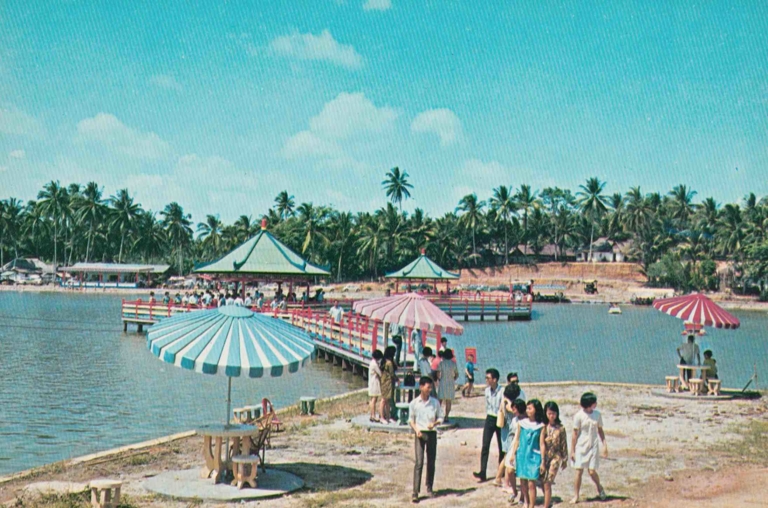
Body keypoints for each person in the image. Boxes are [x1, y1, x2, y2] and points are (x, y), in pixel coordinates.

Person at [409, 376, 444, 503]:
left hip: (431, 433)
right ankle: (415, 492)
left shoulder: (435, 402)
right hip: (420, 434)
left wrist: (434, 423)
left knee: (431, 461)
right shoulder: (414, 403)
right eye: (428, 387)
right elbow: (411, 420)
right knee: (419, 462)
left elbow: (441, 417)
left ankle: (429, 487)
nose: (430, 390)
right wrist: (416, 430)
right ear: (421, 387)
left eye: (431, 387)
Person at [571, 392, 607, 504]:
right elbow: (574, 434)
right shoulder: (579, 416)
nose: (596, 404)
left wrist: (604, 444)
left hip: (593, 445)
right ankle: (576, 495)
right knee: (579, 471)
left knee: (592, 471)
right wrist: (572, 451)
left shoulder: (597, 414)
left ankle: (599, 487)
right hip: (581, 445)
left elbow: (600, 430)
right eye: (594, 402)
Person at [513, 399, 546, 508]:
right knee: (523, 482)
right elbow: (517, 439)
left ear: (536, 410)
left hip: (534, 456)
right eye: (527, 408)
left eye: (530, 408)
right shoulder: (521, 423)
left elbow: (542, 444)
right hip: (522, 455)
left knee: (532, 483)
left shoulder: (541, 426)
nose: (527, 410)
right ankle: (526, 502)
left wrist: (543, 461)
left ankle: (531, 505)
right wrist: (513, 454)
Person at [473, 368, 504, 482]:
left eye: (488, 378)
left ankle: (501, 471)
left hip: (499, 418)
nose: (486, 380)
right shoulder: (486, 391)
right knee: (485, 445)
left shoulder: (502, 391)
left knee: (502, 446)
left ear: (494, 379)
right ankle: (482, 472)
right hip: (490, 418)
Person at [493, 383, 521, 489]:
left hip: (504, 430)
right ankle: (505, 482)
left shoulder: (503, 401)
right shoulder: (509, 404)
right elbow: (513, 412)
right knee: (507, 458)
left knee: (505, 457)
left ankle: (498, 478)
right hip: (509, 432)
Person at [542, 401, 568, 508]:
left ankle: (546, 506)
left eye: (553, 413)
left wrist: (565, 459)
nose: (551, 416)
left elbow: (564, 444)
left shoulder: (561, 428)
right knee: (543, 481)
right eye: (549, 413)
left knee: (548, 481)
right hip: (544, 456)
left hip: (556, 457)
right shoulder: (543, 427)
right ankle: (548, 500)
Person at [436, 349, 458, 422]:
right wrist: (453, 378)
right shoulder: (453, 364)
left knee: (440, 400)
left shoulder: (441, 363)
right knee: (448, 401)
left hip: (443, 381)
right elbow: (457, 374)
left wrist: (439, 379)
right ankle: (446, 416)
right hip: (450, 383)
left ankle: (437, 415)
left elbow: (438, 373)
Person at [379, 346, 397, 424]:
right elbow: (392, 374)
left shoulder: (384, 361)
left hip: (384, 382)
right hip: (387, 382)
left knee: (387, 400)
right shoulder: (389, 363)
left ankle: (387, 416)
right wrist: (397, 379)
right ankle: (382, 417)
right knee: (384, 400)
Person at [369, 350, 384, 422]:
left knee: (372, 400)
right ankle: (373, 416)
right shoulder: (375, 364)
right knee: (374, 400)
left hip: (371, 382)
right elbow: (380, 373)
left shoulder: (372, 362)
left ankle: (372, 415)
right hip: (374, 383)